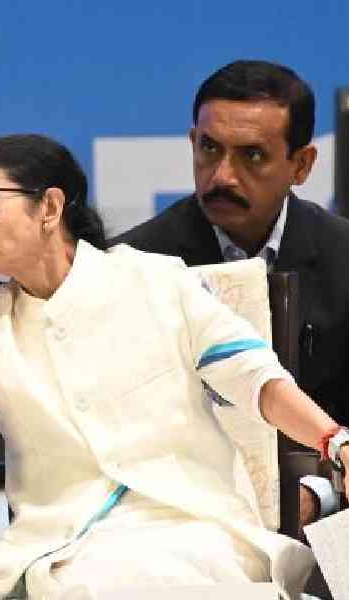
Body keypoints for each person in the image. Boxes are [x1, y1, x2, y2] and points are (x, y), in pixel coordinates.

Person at [0, 133, 349, 599]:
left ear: (49, 207)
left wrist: (335, 441)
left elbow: (256, 379)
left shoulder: (156, 281)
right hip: (68, 548)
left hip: (194, 525)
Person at [115, 60, 349, 525]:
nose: (221, 175)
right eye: (209, 148)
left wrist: (316, 494)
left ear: (301, 165)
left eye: (253, 155)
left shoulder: (345, 258)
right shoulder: (132, 264)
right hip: (178, 520)